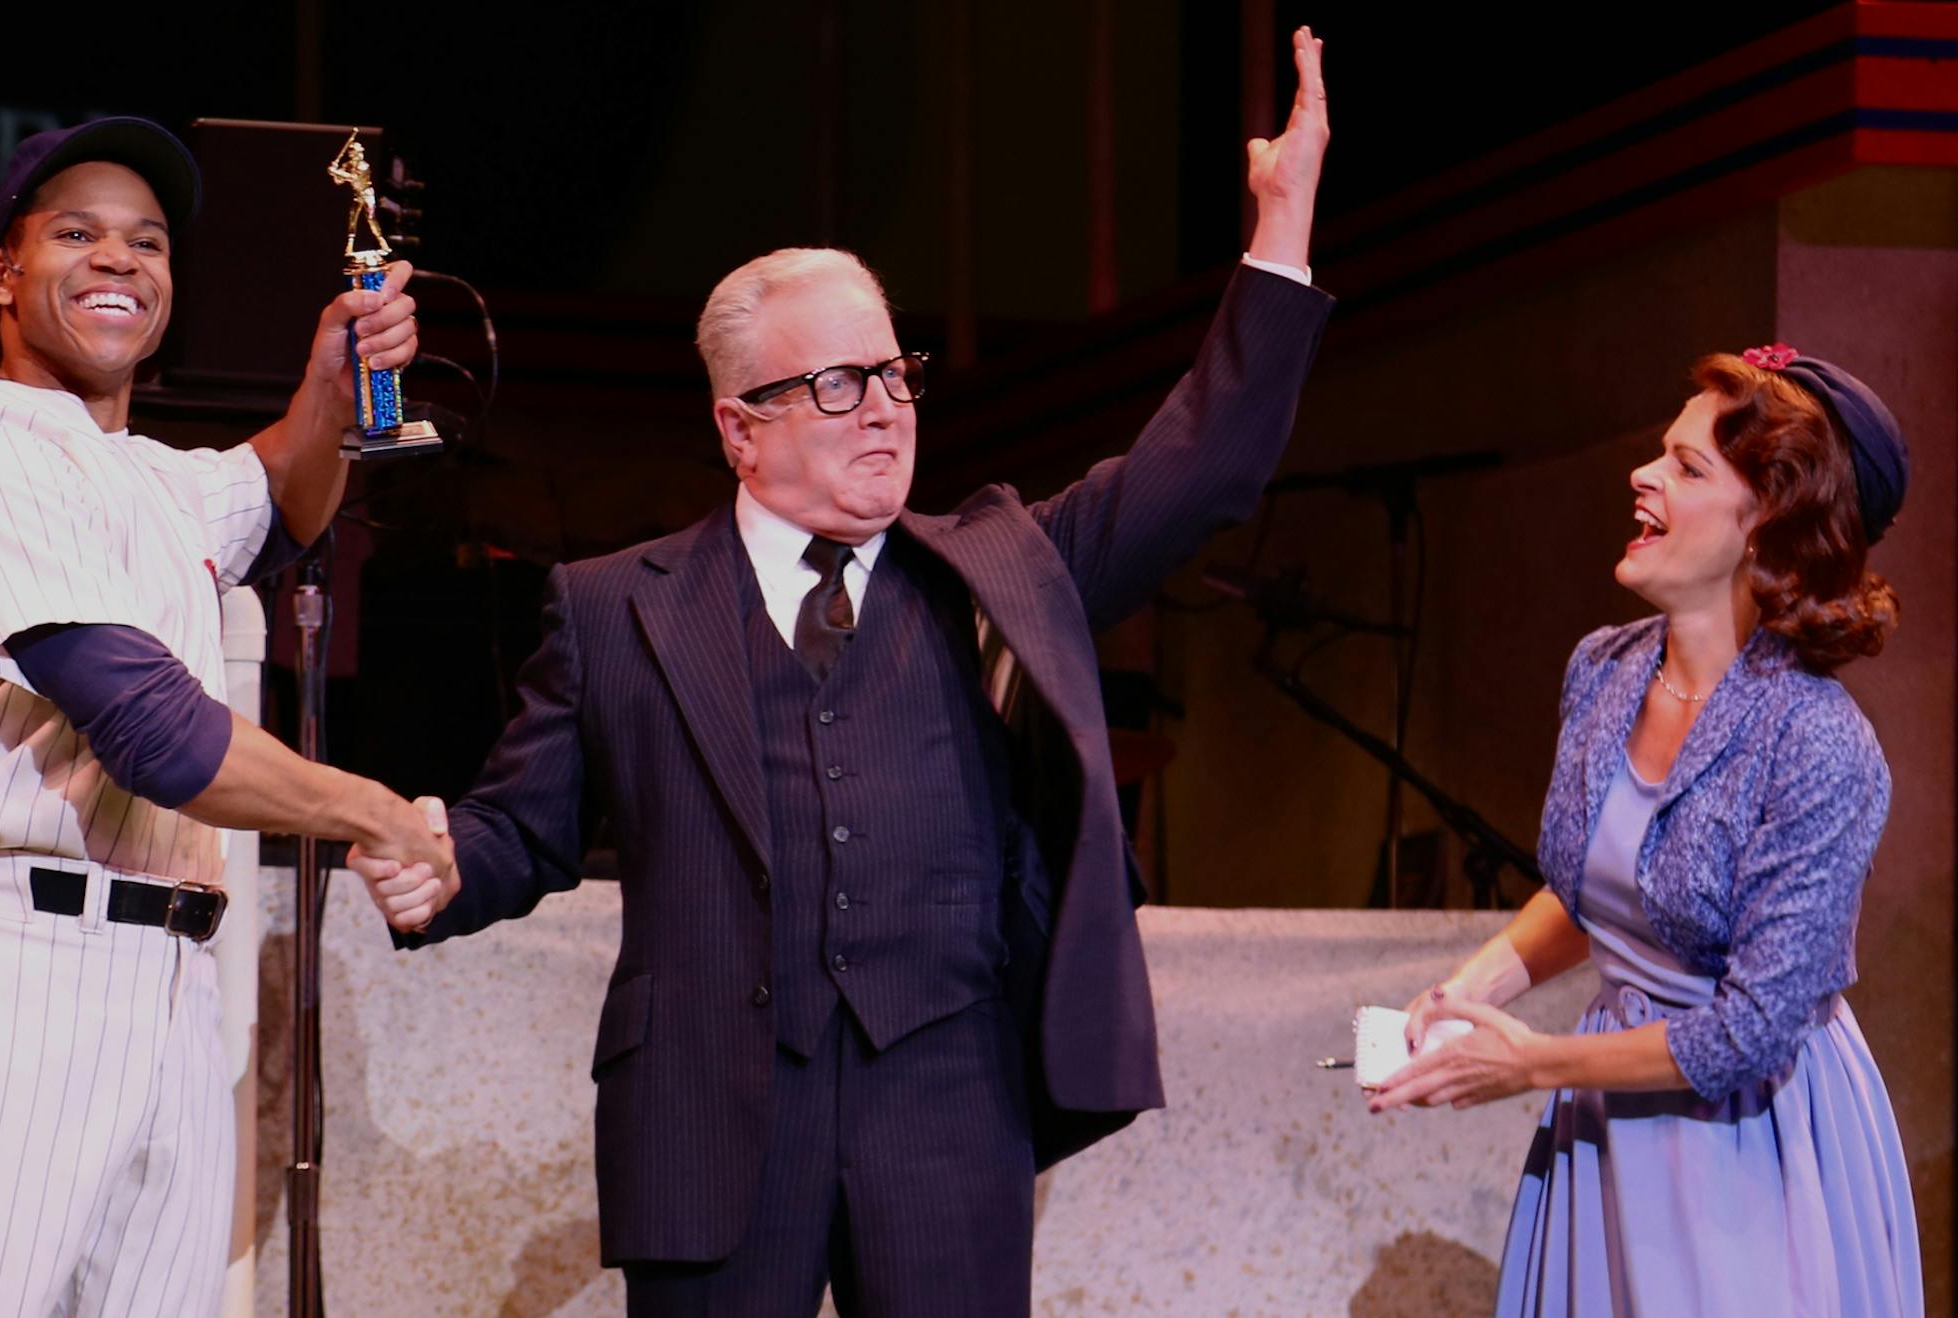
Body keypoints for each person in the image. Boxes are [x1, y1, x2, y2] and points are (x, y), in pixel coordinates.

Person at [349, 29, 1331, 1318]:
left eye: (895, 372)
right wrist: (440, 861)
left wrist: (1283, 233)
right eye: (838, 382)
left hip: (945, 1116)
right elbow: (520, 827)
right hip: (709, 1122)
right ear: (738, 428)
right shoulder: (611, 609)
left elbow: (1201, 469)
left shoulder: (1002, 566)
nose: (886, 407)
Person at [0, 118, 454, 1317]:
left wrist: (332, 386)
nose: (120, 260)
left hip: (165, 973)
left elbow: (278, 497)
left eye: (149, 242)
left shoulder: (140, 472)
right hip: (12, 966)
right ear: (0, 272)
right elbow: (155, 732)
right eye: (77, 233)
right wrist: (373, 812)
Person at [1371, 344, 1923, 1316]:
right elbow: (1600, 892)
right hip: (1608, 1122)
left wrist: (1529, 1061)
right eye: (1660, 453)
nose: (1644, 474)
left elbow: (1749, 1033)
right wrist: (1468, 992)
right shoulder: (1605, 667)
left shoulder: (1819, 745)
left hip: (1750, 1140)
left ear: (1771, 530)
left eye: (1687, 466)